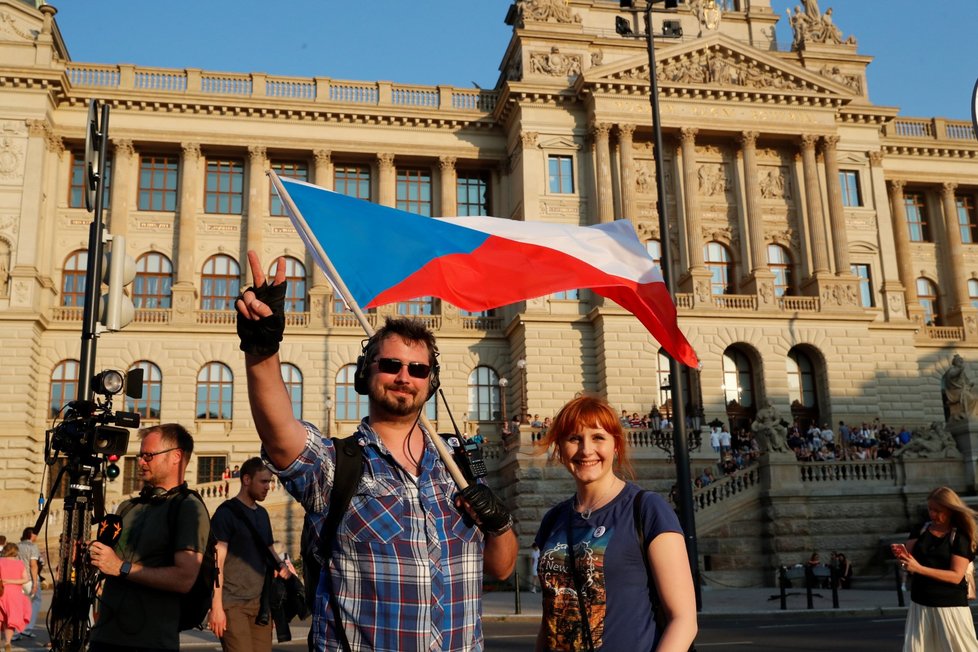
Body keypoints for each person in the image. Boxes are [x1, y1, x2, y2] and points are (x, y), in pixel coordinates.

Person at [235, 252, 518, 651]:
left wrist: (501, 525)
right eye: (391, 364)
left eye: (418, 369)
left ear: (430, 384)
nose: (405, 376)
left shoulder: (458, 468)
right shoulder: (338, 465)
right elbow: (281, 434)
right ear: (365, 373)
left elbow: (502, 567)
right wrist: (262, 350)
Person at [533, 395, 696, 651]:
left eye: (598, 437)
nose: (586, 450)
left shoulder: (647, 509)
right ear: (560, 449)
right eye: (574, 438)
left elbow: (684, 620)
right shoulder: (553, 520)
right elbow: (550, 619)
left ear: (616, 445)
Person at [87, 424, 210, 652]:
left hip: (150, 642)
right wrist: (89, 556)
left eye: (148, 456)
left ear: (176, 456)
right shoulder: (127, 507)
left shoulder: (188, 508)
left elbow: (184, 578)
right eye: (140, 455)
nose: (141, 462)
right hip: (104, 636)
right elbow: (108, 565)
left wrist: (121, 567)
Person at [209, 457, 288, 652]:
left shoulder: (262, 514)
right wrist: (216, 607)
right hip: (232, 604)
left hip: (260, 605)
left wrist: (282, 566)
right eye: (263, 481)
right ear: (246, 480)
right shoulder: (226, 513)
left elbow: (268, 549)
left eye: (269, 482)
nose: (268, 487)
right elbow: (216, 562)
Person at [891, 486, 978, 651]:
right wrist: (902, 559)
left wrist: (918, 568)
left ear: (951, 510)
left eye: (938, 511)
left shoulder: (960, 537)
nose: (932, 514)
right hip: (920, 604)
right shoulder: (920, 530)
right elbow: (908, 564)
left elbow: (956, 576)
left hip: (950, 607)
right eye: (930, 509)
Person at [12, 527, 41, 642]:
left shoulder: (16, 546)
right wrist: (35, 583)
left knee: (19, 605)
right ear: (31, 535)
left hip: (18, 579)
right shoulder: (32, 546)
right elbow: (33, 565)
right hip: (29, 578)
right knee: (36, 601)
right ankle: (27, 628)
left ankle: (16, 631)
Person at [0, 542, 30, 652]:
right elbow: (25, 579)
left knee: (1, 617)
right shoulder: (20, 564)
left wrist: (5, 580)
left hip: (1, 591)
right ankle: (8, 642)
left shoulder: (0, 562)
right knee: (10, 620)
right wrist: (12, 581)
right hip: (15, 594)